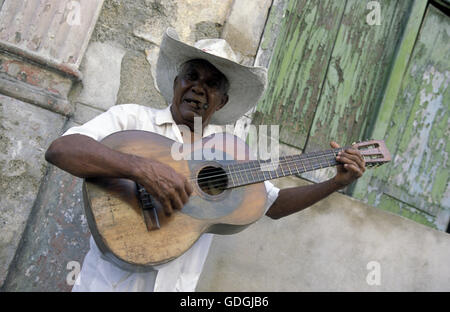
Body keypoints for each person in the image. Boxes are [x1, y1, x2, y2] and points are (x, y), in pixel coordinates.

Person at [45, 28, 366, 291]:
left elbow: (274, 204)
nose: (198, 88)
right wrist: (140, 168)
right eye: (191, 77)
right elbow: (62, 150)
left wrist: (335, 182)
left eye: (211, 84)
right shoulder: (131, 119)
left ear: (222, 101)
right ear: (176, 83)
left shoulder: (229, 152)